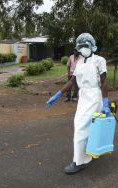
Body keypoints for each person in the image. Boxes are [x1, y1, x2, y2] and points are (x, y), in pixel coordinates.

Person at [46, 33, 111, 174]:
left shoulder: (99, 60)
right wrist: (58, 95)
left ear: (92, 46)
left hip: (94, 96)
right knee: (87, 127)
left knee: (81, 127)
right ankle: (89, 153)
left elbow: (104, 82)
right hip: (83, 97)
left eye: (85, 45)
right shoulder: (80, 62)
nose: (83, 48)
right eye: (80, 46)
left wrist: (106, 103)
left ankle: (79, 161)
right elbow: (72, 82)